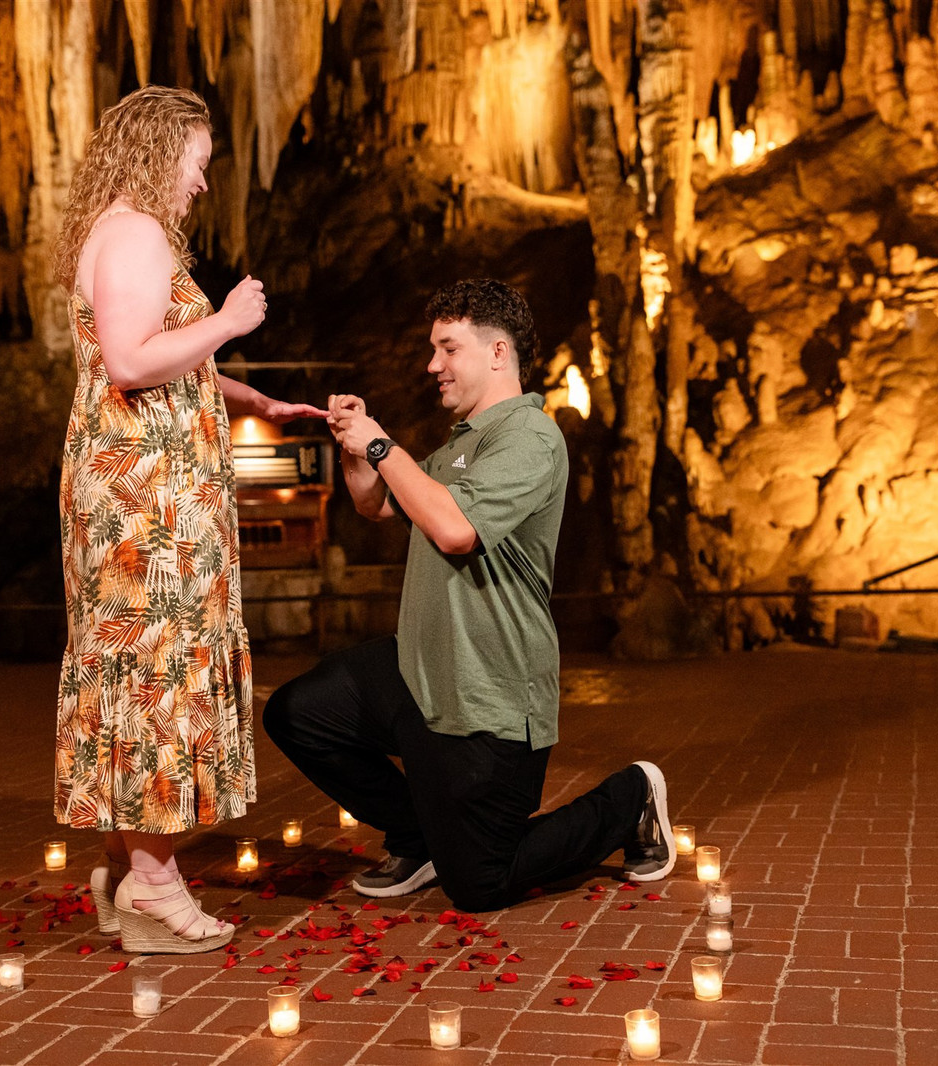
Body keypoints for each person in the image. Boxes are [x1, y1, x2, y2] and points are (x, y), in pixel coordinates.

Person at [262, 279, 674, 913]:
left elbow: (454, 531)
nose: (433, 365)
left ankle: (631, 801)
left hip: (489, 692)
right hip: (419, 672)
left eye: (447, 348)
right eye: (434, 349)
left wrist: (380, 442)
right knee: (299, 713)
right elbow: (377, 503)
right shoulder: (459, 446)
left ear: (498, 352)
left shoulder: (532, 438)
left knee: (480, 881)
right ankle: (417, 835)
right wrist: (352, 450)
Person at [51, 85, 325, 953]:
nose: (202, 183)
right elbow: (131, 361)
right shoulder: (132, 232)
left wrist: (251, 396)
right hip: (147, 508)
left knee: (138, 667)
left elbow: (147, 360)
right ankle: (155, 884)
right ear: (158, 152)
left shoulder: (122, 231)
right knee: (157, 671)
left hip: (145, 491)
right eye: (197, 164)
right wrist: (231, 323)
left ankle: (128, 866)